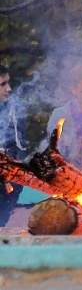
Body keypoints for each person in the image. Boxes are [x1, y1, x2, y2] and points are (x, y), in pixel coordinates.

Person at [0, 65, 26, 225]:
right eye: (2, 84)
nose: (9, 89)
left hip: (9, 181)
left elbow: (21, 146)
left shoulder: (14, 111)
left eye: (8, 83)